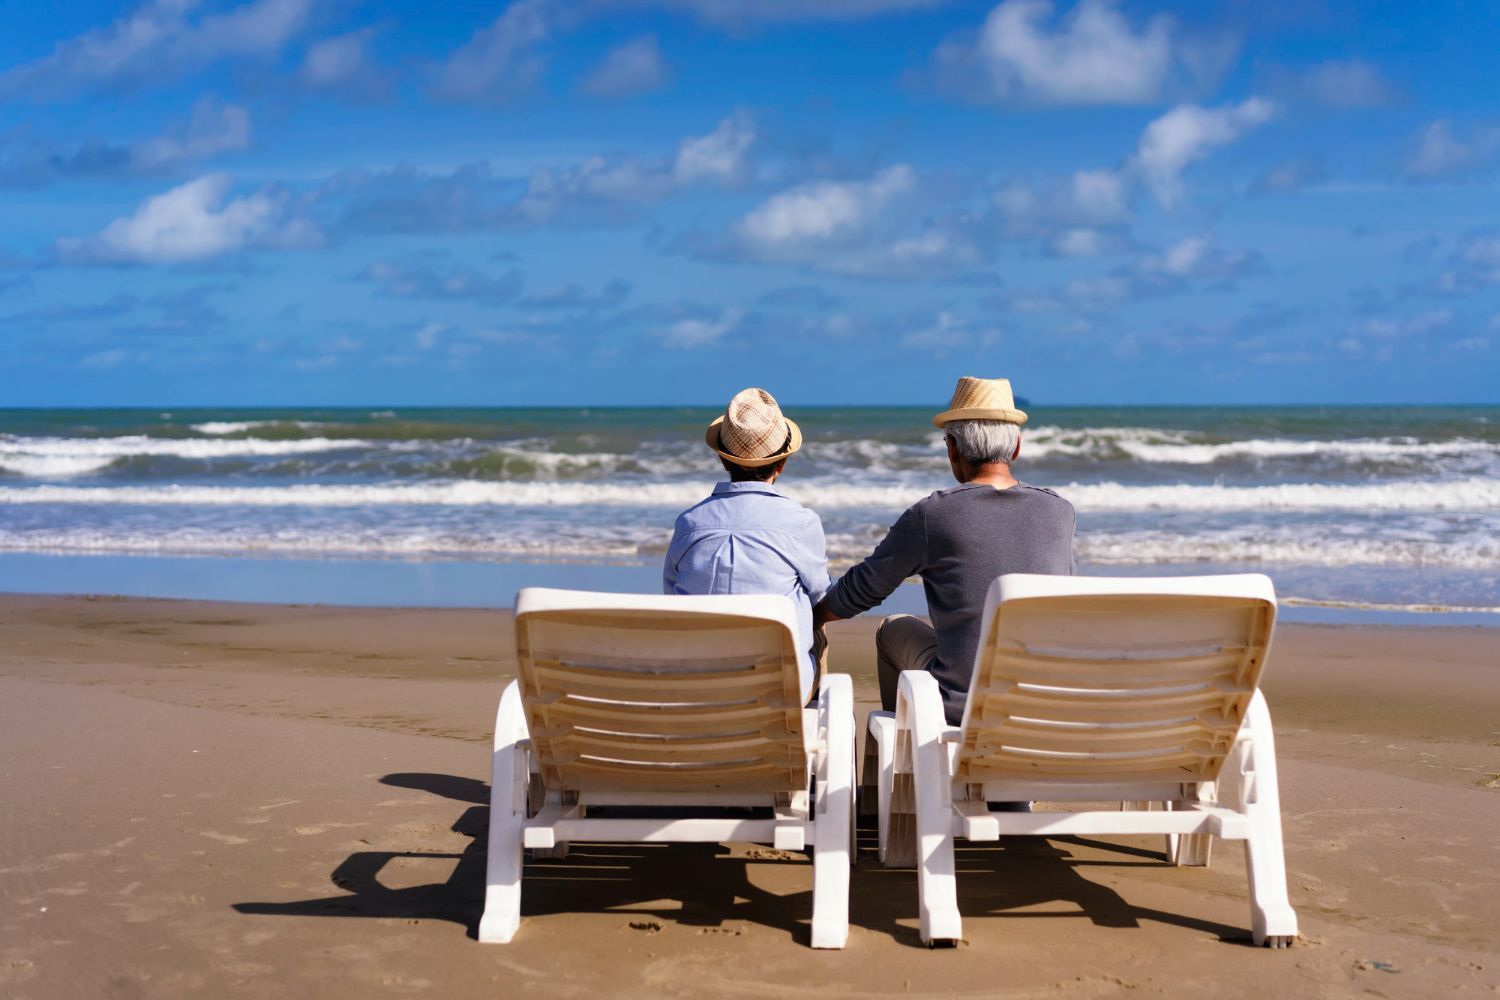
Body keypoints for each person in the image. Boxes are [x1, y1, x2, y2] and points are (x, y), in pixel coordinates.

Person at [812, 376, 1075, 725]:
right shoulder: (1060, 511)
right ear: (1016, 448)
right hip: (1043, 703)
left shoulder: (932, 515)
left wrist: (814, 616)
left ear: (952, 448)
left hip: (960, 707)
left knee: (893, 628)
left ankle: (901, 763)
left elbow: (865, 588)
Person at [664, 387, 830, 705]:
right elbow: (821, 598)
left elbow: (673, 600)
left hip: (699, 687)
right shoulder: (800, 521)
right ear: (781, 464)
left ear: (722, 458)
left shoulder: (689, 523)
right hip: (777, 691)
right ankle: (811, 746)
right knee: (818, 628)